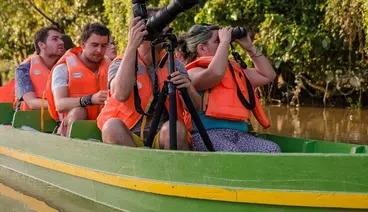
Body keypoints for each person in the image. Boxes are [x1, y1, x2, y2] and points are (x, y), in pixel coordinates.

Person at [97, 11, 202, 150]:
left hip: (163, 137)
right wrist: (132, 44)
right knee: (111, 127)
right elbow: (120, 94)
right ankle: (140, 168)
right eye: (161, 25)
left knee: (175, 128)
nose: (166, 32)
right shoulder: (119, 63)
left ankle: (171, 169)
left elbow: (195, 108)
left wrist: (187, 88)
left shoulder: (173, 63)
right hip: (128, 137)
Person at [178, 24, 281, 153]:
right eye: (218, 41)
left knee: (272, 149)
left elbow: (268, 75)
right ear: (202, 48)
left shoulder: (235, 72)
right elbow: (215, 74)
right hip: (206, 135)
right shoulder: (193, 72)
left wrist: (250, 47)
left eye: (223, 40)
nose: (223, 43)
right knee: (230, 152)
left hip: (240, 135)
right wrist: (225, 42)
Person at [46, 23, 111, 136]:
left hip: (104, 123)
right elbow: (60, 104)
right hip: (72, 122)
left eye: (103, 46)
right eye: (94, 45)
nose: (99, 50)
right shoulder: (63, 68)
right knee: (79, 111)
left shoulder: (110, 65)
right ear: (83, 45)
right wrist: (90, 99)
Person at [14, 26, 65, 110]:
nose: (61, 42)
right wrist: (64, 105)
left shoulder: (66, 67)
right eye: (55, 39)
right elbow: (31, 102)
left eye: (61, 39)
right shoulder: (24, 69)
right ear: (41, 45)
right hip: (31, 120)